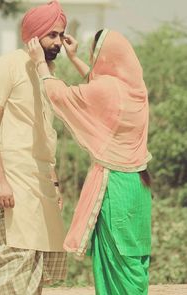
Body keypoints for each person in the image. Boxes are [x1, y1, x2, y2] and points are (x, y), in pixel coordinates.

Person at [28, 28, 152, 295]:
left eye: (95, 53)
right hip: (138, 188)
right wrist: (74, 58)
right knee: (133, 256)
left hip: (114, 186)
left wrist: (40, 63)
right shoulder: (136, 89)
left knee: (116, 258)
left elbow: (62, 95)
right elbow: (101, 86)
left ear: (105, 57)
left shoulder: (108, 90)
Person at [0, 1, 67, 294]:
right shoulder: (7, 64)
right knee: (8, 270)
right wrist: (0, 180)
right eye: (53, 35)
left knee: (33, 271)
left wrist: (55, 184)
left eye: (61, 35)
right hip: (13, 182)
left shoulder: (48, 73)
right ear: (34, 35)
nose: (58, 42)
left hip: (41, 187)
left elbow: (46, 134)